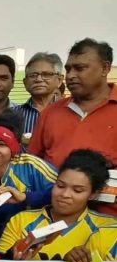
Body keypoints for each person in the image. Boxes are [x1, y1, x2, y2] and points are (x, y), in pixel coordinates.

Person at [0, 149, 113, 260]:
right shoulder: (21, 220)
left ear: (93, 194)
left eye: (77, 190)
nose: (65, 194)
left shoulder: (106, 227)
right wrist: (12, 255)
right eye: (60, 186)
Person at [28, 39, 117, 179]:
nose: (70, 76)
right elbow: (31, 165)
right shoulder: (51, 113)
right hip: (50, 200)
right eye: (68, 69)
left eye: (80, 68)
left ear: (105, 68)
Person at [0, 111, 57, 244]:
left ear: (14, 150)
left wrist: (26, 198)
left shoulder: (32, 166)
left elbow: (66, 195)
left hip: (27, 241)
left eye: (2, 144)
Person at [17, 52, 63, 139]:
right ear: (25, 83)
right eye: (33, 75)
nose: (38, 79)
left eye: (46, 74)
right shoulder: (12, 115)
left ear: (59, 80)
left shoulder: (71, 113)